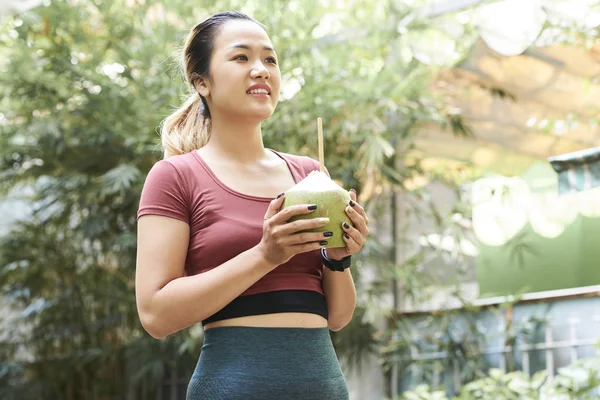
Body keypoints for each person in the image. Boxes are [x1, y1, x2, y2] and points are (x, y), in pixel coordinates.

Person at [135, 11, 370, 400]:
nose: (261, 70)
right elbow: (156, 315)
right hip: (231, 388)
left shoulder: (310, 175)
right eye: (241, 57)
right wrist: (266, 254)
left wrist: (337, 258)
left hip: (322, 386)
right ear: (201, 82)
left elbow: (339, 317)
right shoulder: (174, 177)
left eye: (270, 59)